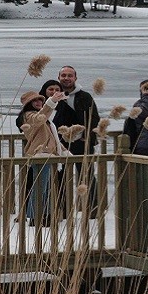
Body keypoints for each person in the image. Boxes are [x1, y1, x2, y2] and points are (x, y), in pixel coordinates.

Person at [17, 82, 69, 226]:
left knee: (46, 188)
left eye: (40, 100)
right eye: (35, 101)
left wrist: (64, 151)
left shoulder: (44, 119)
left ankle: (45, 214)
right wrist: (51, 102)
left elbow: (52, 138)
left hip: (48, 155)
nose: (39, 102)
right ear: (29, 104)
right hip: (40, 154)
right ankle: (35, 216)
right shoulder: (29, 116)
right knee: (39, 187)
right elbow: (39, 119)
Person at [54, 65, 100, 211]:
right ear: (59, 77)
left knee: (86, 175)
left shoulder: (84, 97)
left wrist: (87, 138)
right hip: (60, 143)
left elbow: (94, 118)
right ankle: (63, 208)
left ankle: (92, 208)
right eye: (64, 75)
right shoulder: (53, 96)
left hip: (82, 143)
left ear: (75, 78)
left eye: (70, 75)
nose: (66, 78)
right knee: (60, 176)